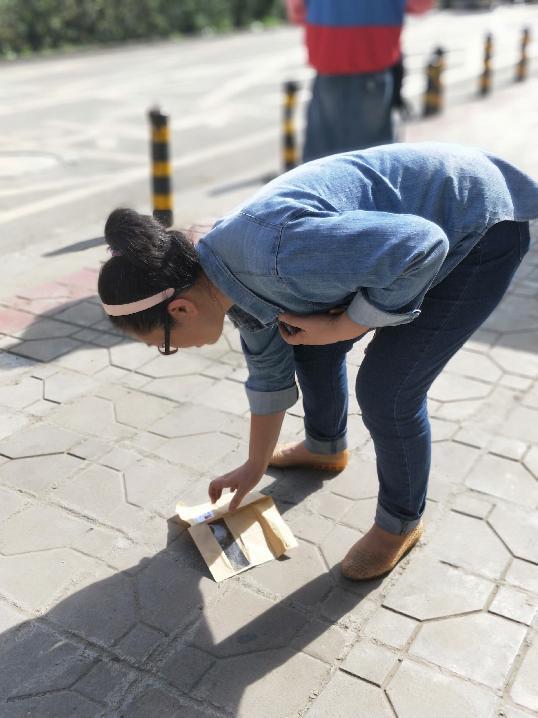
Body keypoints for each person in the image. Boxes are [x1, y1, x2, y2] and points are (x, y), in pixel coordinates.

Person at [98, 142, 537, 581]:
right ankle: (325, 448)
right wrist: (253, 467)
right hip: (412, 226)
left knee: (387, 391)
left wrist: (347, 323)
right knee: (304, 338)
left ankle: (399, 524)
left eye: (165, 344)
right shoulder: (223, 277)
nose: (174, 350)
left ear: (181, 310)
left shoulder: (275, 257)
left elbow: (422, 246)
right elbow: (268, 375)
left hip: (475, 225)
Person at [285, 0, 434, 161]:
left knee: (322, 161)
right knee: (374, 160)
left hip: (328, 63)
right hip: (374, 66)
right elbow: (421, 5)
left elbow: (297, 12)